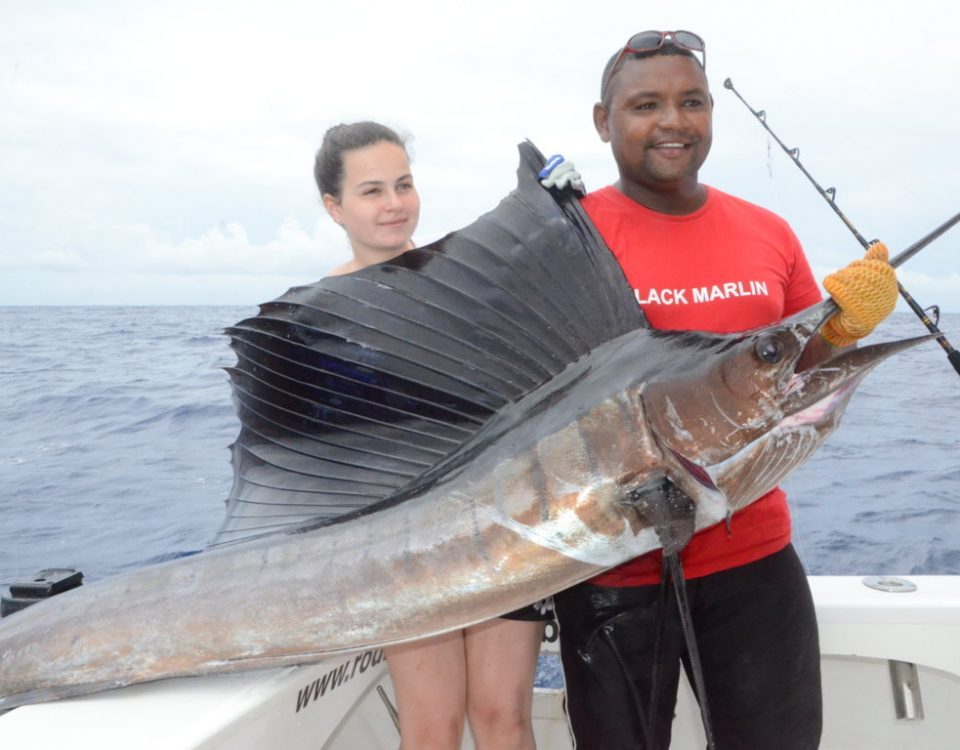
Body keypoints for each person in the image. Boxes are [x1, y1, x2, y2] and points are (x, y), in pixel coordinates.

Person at [544, 31, 899, 749]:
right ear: (601, 121)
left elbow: (791, 375)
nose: (674, 121)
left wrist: (845, 328)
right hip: (614, 567)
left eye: (693, 102)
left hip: (754, 555)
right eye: (647, 104)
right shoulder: (566, 241)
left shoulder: (767, 231)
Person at [314, 120, 550, 750]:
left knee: (504, 718)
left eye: (404, 184)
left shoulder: (469, 279)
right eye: (371, 192)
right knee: (432, 727)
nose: (394, 204)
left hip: (502, 527)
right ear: (334, 207)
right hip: (403, 546)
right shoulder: (319, 313)